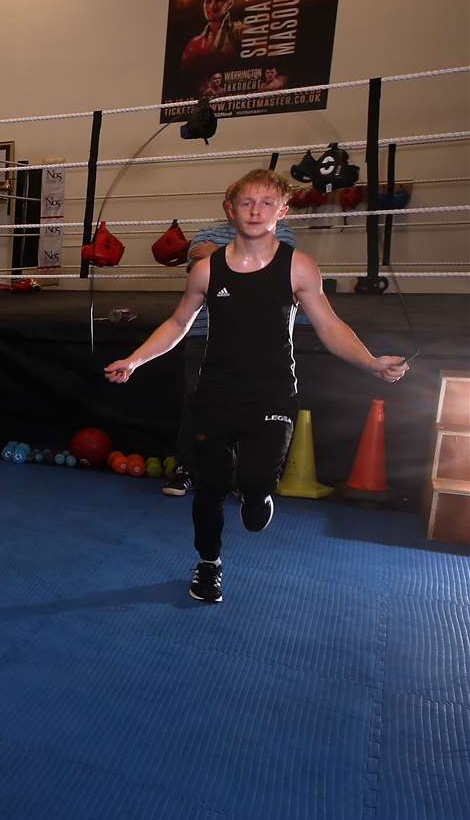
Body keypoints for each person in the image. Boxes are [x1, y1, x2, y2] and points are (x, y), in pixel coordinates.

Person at [104, 169, 407, 604]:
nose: (256, 211)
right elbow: (177, 324)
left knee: (252, 478)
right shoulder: (207, 271)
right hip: (216, 392)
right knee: (210, 488)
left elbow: (329, 324)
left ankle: (260, 493)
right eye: (247, 202)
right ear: (230, 210)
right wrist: (134, 360)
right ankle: (209, 564)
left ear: (282, 211)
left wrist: (371, 362)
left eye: (267, 203)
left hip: (272, 393)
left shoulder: (298, 267)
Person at [161, 206, 300, 498]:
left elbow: (271, 265)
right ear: (230, 207)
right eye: (241, 202)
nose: (251, 210)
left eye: (261, 203)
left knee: (251, 407)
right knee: (195, 403)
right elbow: (196, 267)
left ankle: (243, 479)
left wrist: (217, 251)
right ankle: (187, 469)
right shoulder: (207, 232)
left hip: (258, 340)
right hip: (204, 331)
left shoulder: (283, 233)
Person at [181, 0, 243, 77]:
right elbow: (185, 76)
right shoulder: (194, 43)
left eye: (219, 0)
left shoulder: (241, 31)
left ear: (230, 3)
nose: (212, 6)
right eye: (208, 0)